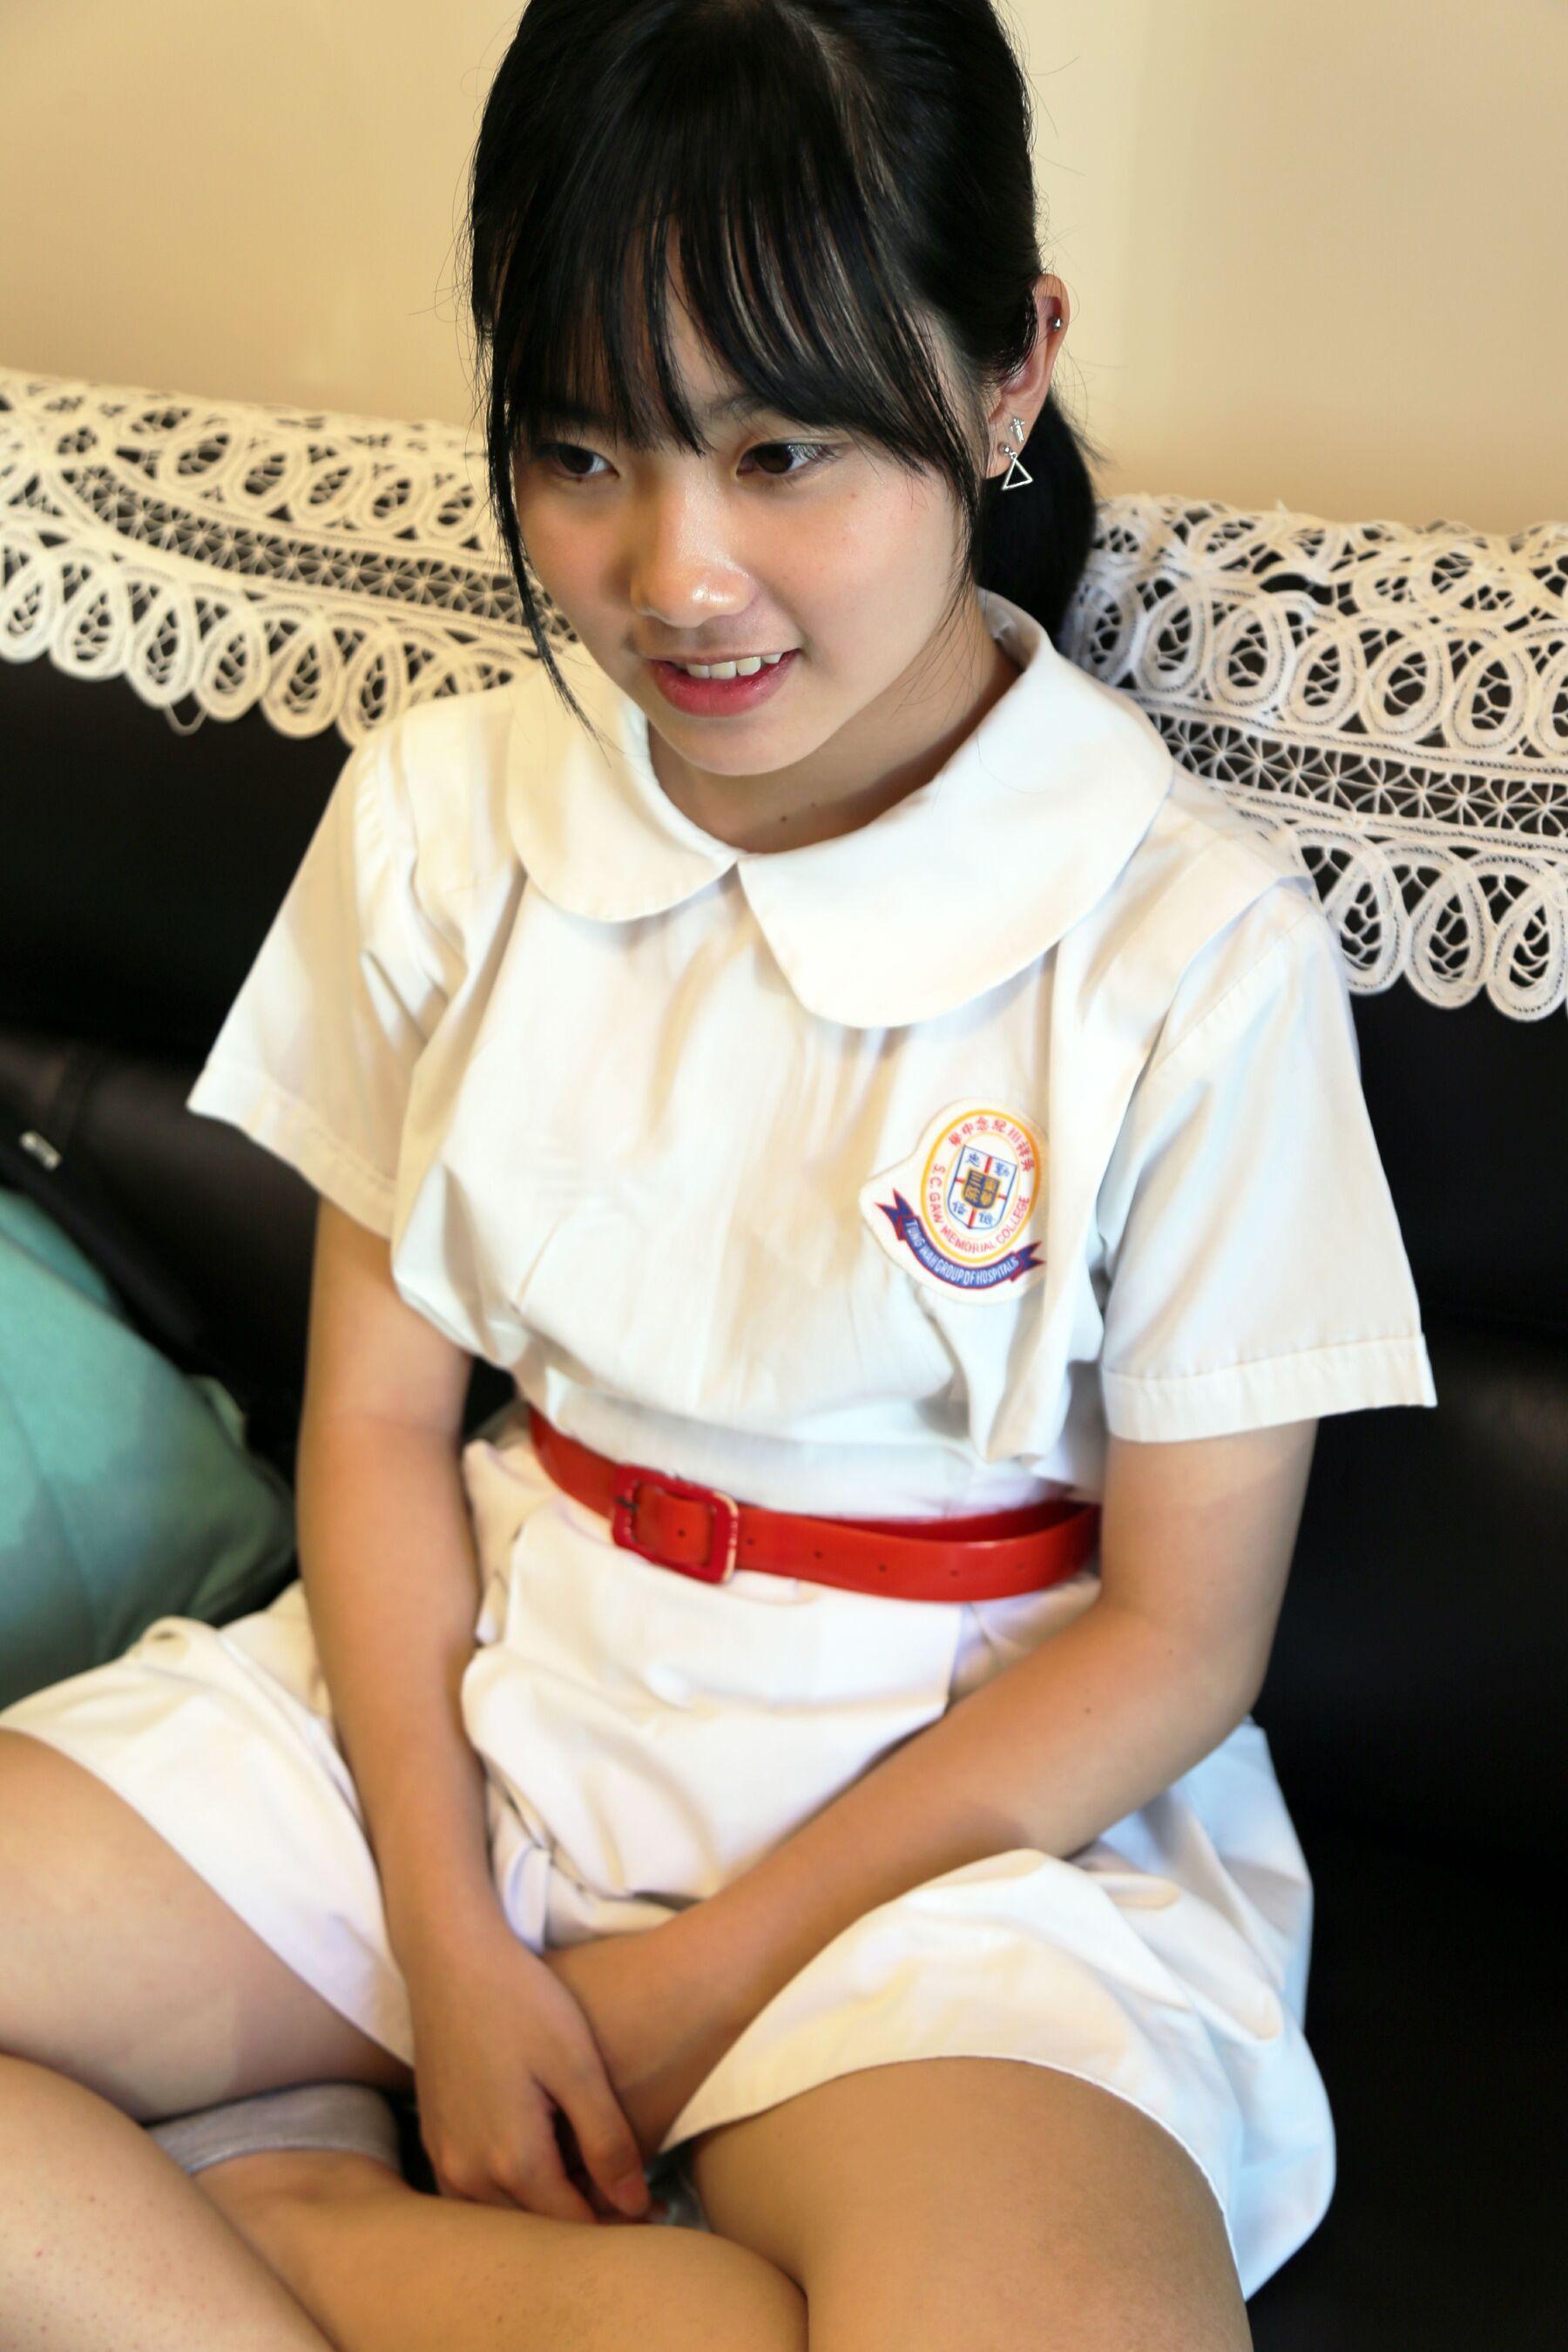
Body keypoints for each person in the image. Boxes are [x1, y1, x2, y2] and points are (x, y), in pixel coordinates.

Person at [0, 4, 1437, 2348]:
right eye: (583, 451)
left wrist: (683, 1993)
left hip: (947, 1827)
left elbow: (1180, 1637)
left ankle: (292, 2233)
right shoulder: (450, 816)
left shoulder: (1187, 946)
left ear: (1008, 369)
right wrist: (450, 1941)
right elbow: (378, 1425)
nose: (677, 576)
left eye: (783, 452)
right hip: (476, 1685)